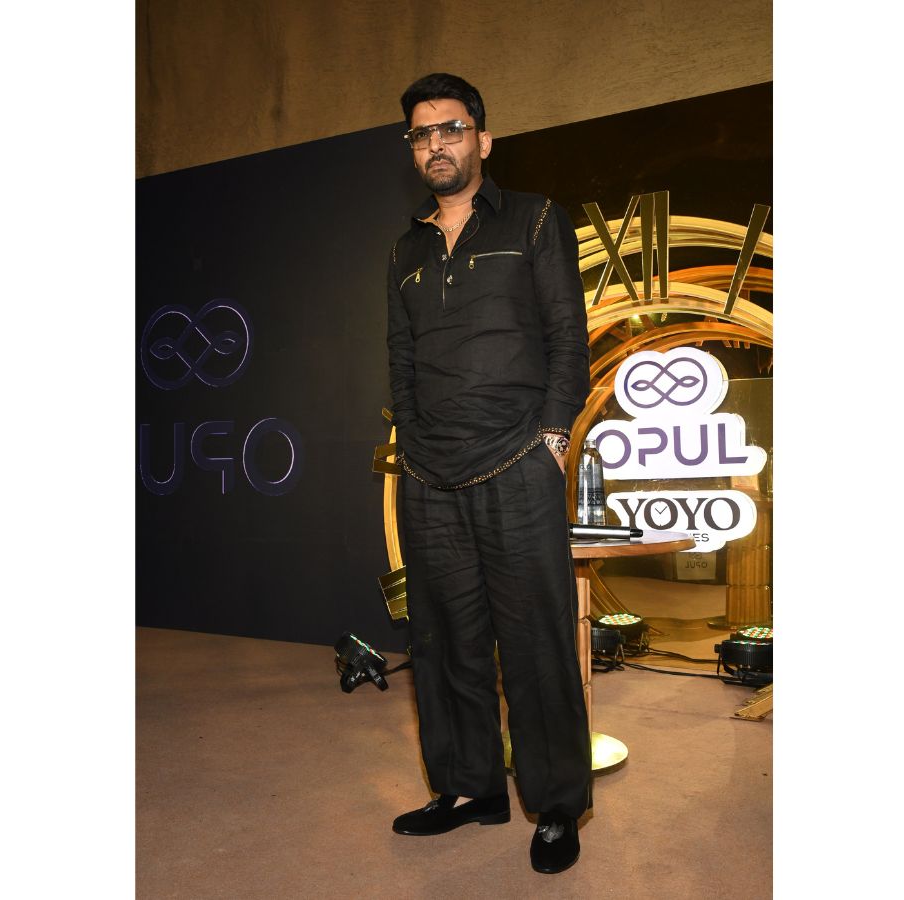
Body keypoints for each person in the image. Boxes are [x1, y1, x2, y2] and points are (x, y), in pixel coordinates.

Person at [385, 72, 592, 875]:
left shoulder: (536, 218)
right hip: (429, 476)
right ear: (413, 149)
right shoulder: (403, 248)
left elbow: (567, 335)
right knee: (444, 644)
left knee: (537, 644)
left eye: (451, 128)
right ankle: (469, 787)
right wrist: (410, 443)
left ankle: (557, 804)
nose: (436, 144)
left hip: (514, 462)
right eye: (422, 133)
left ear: (483, 139)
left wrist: (552, 435)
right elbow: (400, 359)